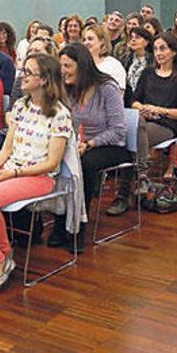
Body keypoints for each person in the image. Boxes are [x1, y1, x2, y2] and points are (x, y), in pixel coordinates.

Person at [0, 54, 72, 292]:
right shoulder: (20, 105)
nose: (22, 76)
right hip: (11, 170)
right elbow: (7, 148)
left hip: (38, 177)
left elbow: (51, 163)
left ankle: (3, 256)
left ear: (44, 79)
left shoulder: (60, 114)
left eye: (28, 72)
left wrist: (13, 173)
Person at [107, 33, 177, 216]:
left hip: (169, 125)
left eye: (163, 48)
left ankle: (125, 193)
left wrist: (158, 110)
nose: (158, 53)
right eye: (155, 49)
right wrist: (144, 109)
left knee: (131, 138)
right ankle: (141, 178)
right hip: (144, 120)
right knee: (134, 130)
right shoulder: (147, 73)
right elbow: (135, 101)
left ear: (175, 52)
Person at [55, 43, 127, 246]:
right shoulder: (69, 89)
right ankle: (61, 221)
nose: (63, 71)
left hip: (110, 146)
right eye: (61, 66)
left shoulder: (107, 88)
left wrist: (90, 143)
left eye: (67, 66)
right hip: (79, 145)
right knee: (59, 160)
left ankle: (77, 227)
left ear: (82, 65)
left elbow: (118, 130)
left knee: (82, 164)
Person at [82, 24, 126, 91]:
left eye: (90, 39)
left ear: (102, 41)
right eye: (84, 40)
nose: (86, 42)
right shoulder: (79, 63)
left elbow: (120, 94)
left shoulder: (113, 65)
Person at [119, 26, 155, 107]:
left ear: (146, 42)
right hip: (127, 101)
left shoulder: (154, 60)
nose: (133, 40)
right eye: (131, 37)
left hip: (146, 102)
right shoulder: (125, 59)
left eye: (137, 37)